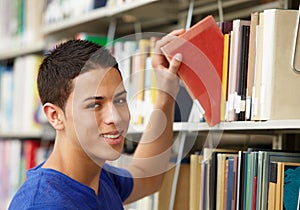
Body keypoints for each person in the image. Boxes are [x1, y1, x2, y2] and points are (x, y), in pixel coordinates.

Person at [8, 29, 185, 210]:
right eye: (94, 105)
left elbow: (148, 176)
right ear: (55, 116)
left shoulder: (98, 177)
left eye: (120, 100)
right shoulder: (43, 205)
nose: (115, 117)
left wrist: (166, 92)